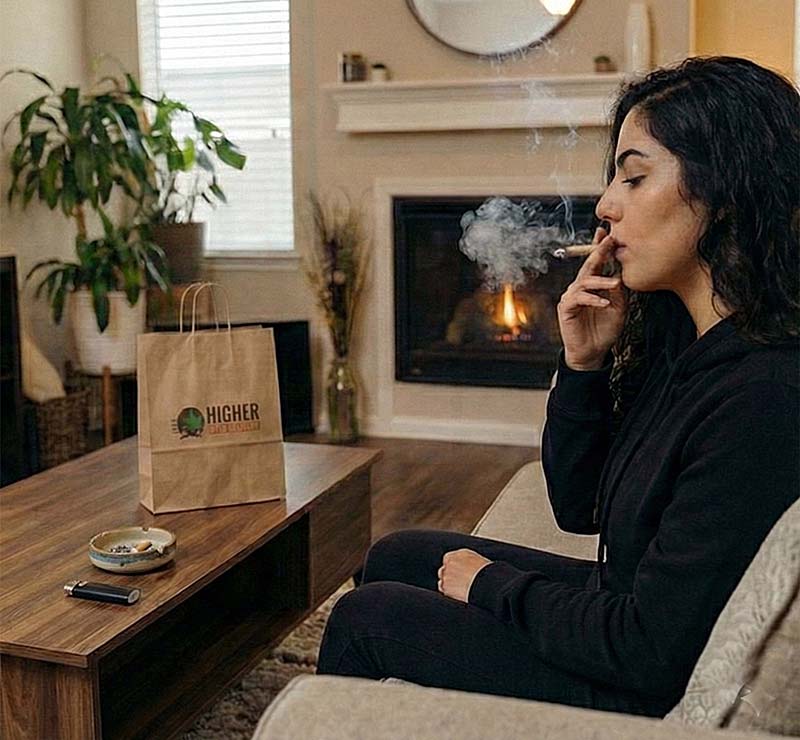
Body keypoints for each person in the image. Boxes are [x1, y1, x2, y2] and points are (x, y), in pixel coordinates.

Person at [316, 56, 800, 717]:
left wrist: (493, 587)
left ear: (726, 189)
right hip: (633, 617)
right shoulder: (690, 349)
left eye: (635, 176)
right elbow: (581, 507)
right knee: (399, 554)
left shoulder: (763, 395)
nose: (605, 205)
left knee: (368, 617)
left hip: (643, 681)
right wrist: (583, 364)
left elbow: (650, 651)